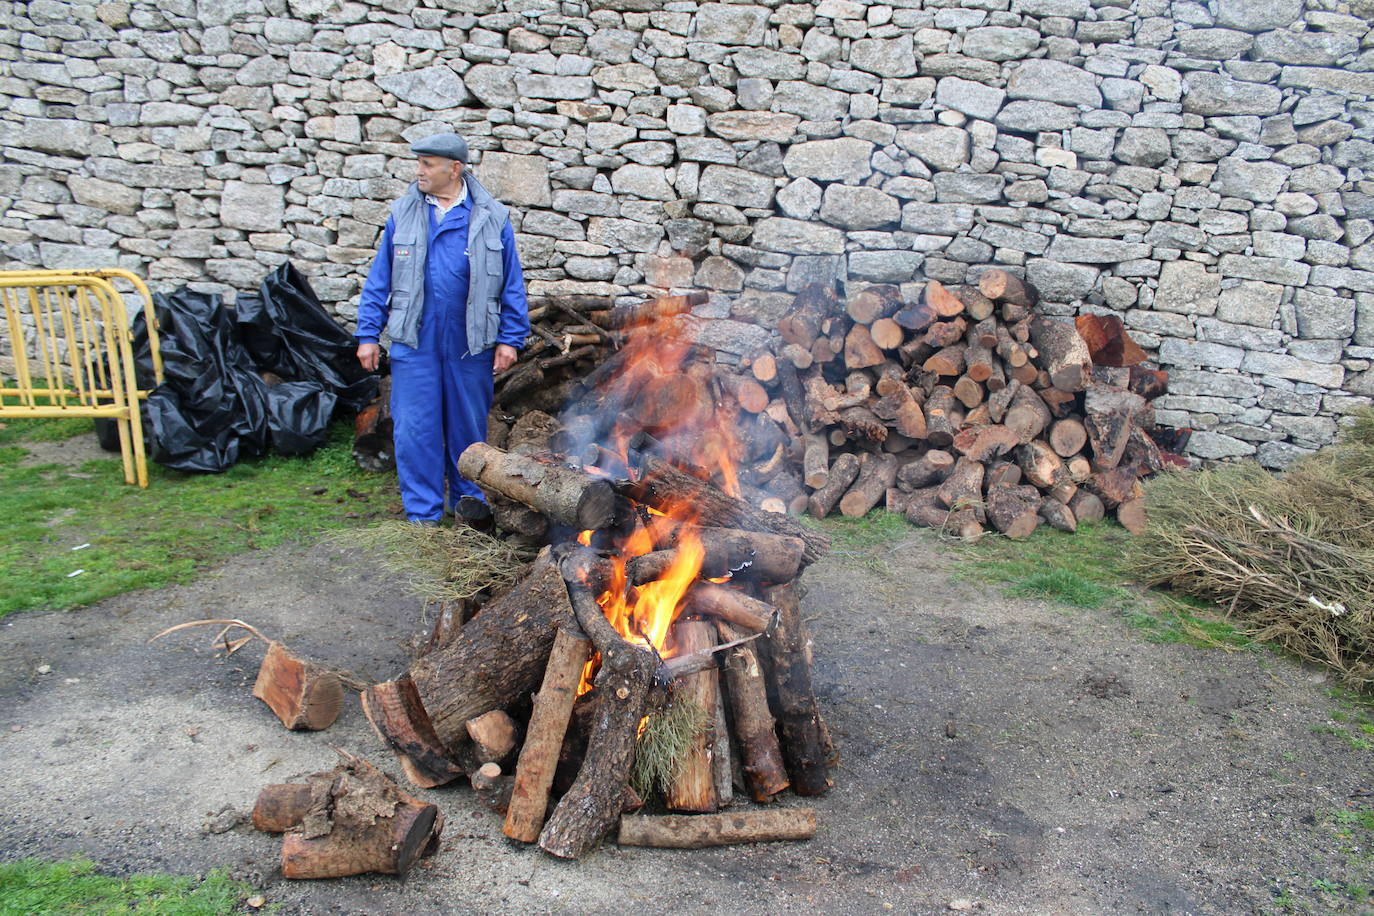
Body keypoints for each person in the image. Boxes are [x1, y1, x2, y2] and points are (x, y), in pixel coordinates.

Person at [355, 132, 529, 525]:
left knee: (467, 432)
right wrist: (368, 334)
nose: (419, 171)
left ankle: (468, 507)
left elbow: (511, 284)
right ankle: (423, 515)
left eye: (427, 164)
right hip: (415, 343)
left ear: (455, 168)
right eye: (419, 163)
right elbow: (378, 280)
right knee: (416, 432)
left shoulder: (491, 218)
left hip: (470, 343)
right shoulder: (404, 214)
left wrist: (510, 338)